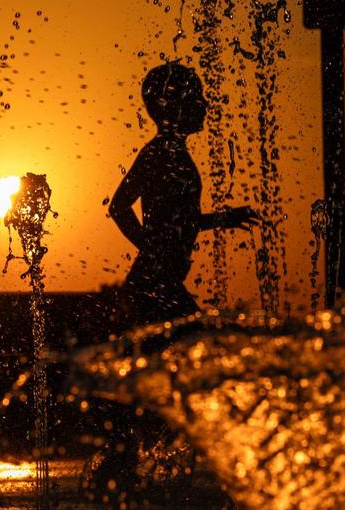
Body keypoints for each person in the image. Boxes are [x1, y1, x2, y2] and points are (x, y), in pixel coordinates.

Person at [109, 62, 259, 324]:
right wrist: (152, 250)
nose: (204, 104)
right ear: (173, 105)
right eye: (195, 97)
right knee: (202, 341)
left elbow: (180, 221)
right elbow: (119, 206)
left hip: (158, 280)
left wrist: (224, 220)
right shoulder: (159, 153)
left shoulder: (173, 152)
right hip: (154, 282)